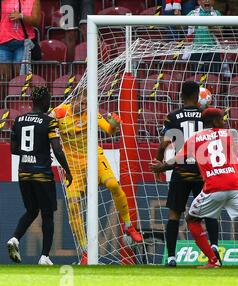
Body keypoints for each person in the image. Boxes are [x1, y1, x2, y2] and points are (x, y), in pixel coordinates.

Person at [151, 108, 238, 268]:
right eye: (221, 119)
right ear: (214, 122)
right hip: (237, 186)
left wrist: (161, 167)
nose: (224, 122)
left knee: (191, 219)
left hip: (214, 187)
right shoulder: (228, 135)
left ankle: (213, 260)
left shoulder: (194, 139)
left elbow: (177, 160)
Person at [50, 91, 142, 265]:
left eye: (86, 104)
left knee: (114, 185)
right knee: (73, 204)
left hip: (95, 157)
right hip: (73, 165)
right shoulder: (60, 112)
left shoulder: (92, 113)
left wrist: (114, 124)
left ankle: (128, 225)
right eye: (82, 103)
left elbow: (109, 130)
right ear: (74, 101)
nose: (84, 107)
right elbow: (48, 122)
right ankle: (85, 252)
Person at [155, 81, 220, 267]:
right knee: (210, 212)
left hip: (181, 171)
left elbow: (164, 144)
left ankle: (172, 257)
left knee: (174, 214)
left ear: (182, 96)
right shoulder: (206, 115)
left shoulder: (173, 117)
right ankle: (214, 247)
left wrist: (160, 163)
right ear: (198, 95)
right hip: (203, 171)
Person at [7, 86, 72, 265]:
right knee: (47, 214)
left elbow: (13, 149)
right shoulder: (49, 122)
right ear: (44, 101)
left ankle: (14, 239)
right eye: (49, 100)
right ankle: (44, 256)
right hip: (42, 174)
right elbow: (57, 150)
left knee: (31, 210)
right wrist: (67, 169)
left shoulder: (19, 120)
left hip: (24, 173)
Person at [0, 0, 41, 97]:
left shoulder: (34, 1)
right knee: (3, 78)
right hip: (4, 41)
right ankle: (2, 107)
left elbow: (36, 21)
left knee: (20, 78)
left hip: (22, 43)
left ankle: (18, 105)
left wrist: (22, 16)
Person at [186, 0, 231, 77]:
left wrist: (211, 26)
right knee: (196, 78)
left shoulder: (217, 14)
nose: (207, 0)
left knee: (214, 78)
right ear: (199, 2)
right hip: (196, 51)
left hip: (213, 51)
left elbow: (220, 32)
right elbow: (181, 27)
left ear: (213, 2)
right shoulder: (192, 14)